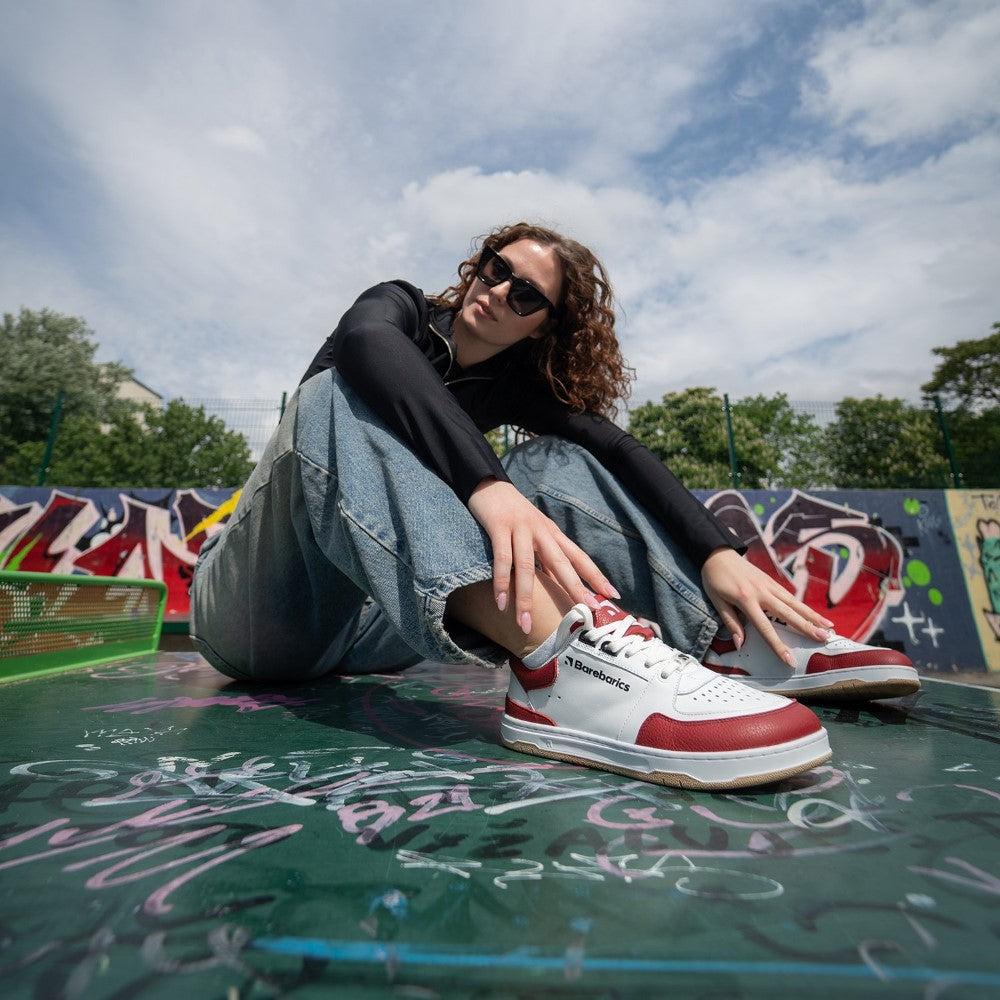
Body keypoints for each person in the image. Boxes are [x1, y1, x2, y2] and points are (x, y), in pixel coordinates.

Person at [190, 222, 919, 791]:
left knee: (560, 458)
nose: (498, 291)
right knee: (339, 394)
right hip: (264, 613)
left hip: (376, 629)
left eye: (525, 295)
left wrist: (718, 552)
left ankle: (728, 637)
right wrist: (486, 483)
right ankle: (554, 668)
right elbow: (367, 342)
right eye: (494, 269)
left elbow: (619, 449)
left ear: (543, 325)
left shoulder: (513, 386)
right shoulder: (400, 310)